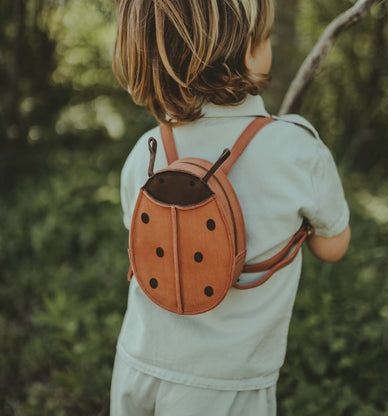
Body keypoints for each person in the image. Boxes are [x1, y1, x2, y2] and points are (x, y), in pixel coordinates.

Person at [110, 1, 351, 415]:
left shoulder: (142, 156)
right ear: (245, 52)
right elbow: (333, 247)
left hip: (138, 368)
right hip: (228, 386)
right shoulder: (297, 150)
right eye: (266, 37)